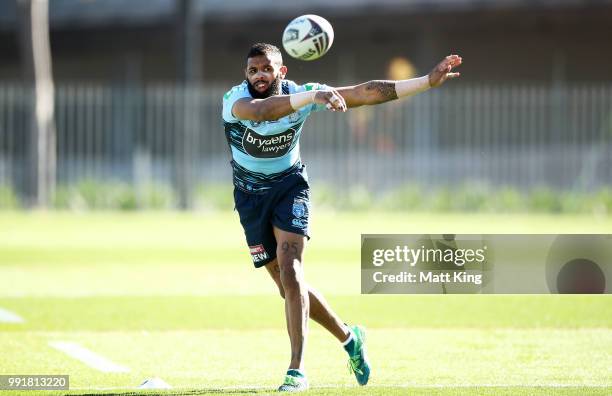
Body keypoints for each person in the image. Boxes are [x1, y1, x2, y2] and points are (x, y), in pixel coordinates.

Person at [222, 42, 462, 392]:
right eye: (252, 70)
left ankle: (296, 370)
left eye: (266, 69)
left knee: (292, 270)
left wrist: (425, 81)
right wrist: (314, 97)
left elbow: (364, 93)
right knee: (287, 287)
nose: (259, 76)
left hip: (290, 187)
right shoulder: (235, 100)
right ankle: (351, 339)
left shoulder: (303, 94)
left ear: (281, 72)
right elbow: (261, 113)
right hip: (249, 196)